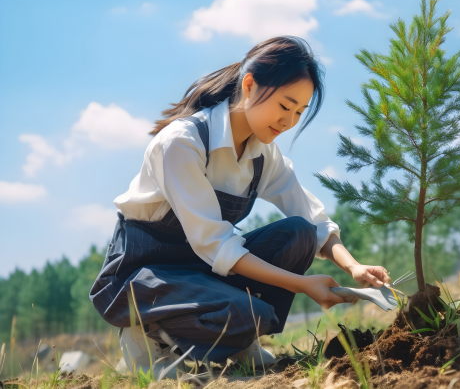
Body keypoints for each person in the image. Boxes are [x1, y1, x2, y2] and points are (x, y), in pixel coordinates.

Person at [89, 36, 391, 374]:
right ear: (249, 85)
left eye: (298, 113)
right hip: (146, 275)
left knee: (299, 234)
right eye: (284, 105)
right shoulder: (182, 143)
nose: (289, 121)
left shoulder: (263, 155)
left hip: (204, 270)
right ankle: (145, 335)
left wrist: (353, 267)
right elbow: (216, 244)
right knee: (254, 314)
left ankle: (238, 335)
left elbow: (314, 221)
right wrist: (302, 285)